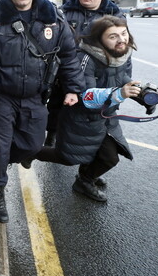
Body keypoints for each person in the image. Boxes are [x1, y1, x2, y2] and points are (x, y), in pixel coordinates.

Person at [0, 0, 85, 223]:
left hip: (35, 97)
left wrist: (73, 88)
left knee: (32, 145)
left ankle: (2, 162)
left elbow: (69, 55)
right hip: (0, 97)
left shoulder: (53, 18)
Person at [25, 16, 150, 202]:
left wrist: (142, 95)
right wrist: (119, 93)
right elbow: (85, 96)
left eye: (124, 33)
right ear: (99, 39)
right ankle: (29, 152)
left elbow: (120, 78)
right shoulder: (86, 58)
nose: (122, 39)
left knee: (108, 157)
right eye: (113, 36)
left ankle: (85, 179)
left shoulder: (118, 54)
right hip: (81, 118)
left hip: (105, 117)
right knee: (68, 157)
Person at [44, 0, 126, 146]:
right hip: (65, 70)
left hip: (96, 73)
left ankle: (84, 158)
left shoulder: (114, 15)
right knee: (57, 105)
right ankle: (51, 136)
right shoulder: (66, 11)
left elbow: (122, 48)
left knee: (91, 113)